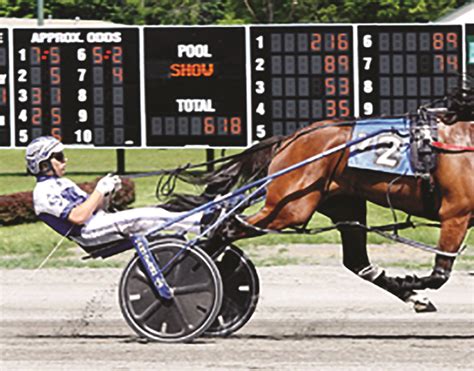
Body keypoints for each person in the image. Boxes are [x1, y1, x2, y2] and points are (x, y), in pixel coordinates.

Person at [26, 136, 203, 248]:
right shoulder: (42, 193)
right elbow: (78, 217)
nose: (65, 160)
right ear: (43, 165)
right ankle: (203, 224)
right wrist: (99, 190)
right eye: (59, 157)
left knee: (156, 216)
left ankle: (197, 226)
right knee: (147, 215)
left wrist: (107, 192)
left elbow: (94, 207)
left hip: (98, 222)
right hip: (88, 232)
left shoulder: (62, 182)